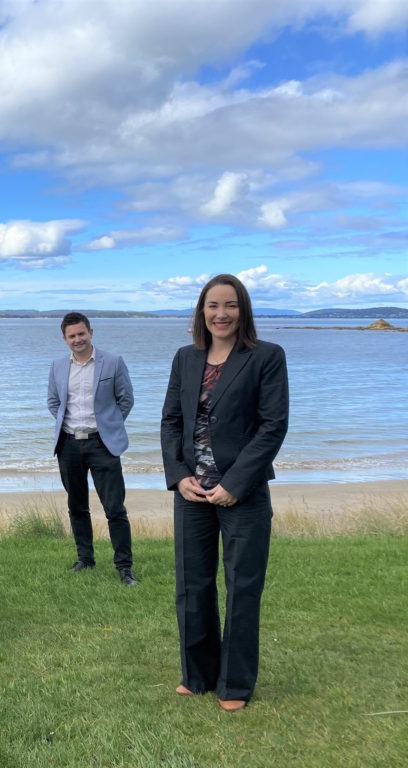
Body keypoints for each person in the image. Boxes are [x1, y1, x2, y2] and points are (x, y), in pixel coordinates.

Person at [161, 274, 289, 712]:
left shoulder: (266, 357)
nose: (221, 314)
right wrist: (179, 476)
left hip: (244, 494)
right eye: (212, 305)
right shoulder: (185, 357)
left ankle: (234, 684)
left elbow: (273, 426)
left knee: (242, 587)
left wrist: (235, 484)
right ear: (201, 311)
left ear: (243, 310)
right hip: (192, 493)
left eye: (230, 305)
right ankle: (197, 674)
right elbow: (171, 422)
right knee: (192, 585)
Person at [47, 312, 137, 586]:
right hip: (69, 444)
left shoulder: (113, 362)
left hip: (103, 444)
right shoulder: (58, 366)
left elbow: (126, 400)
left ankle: (124, 567)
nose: (77, 339)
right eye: (72, 336)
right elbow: (53, 402)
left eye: (81, 334)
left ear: (91, 332)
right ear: (65, 339)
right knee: (77, 506)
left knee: (114, 508)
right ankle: (85, 559)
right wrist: (70, 427)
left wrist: (109, 426)